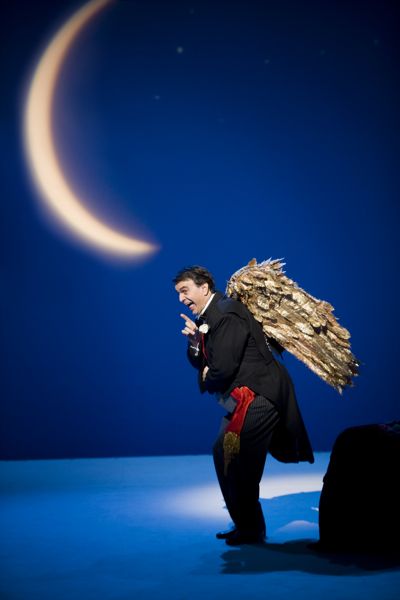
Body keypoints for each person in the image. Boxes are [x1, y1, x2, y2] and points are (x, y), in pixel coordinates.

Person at [173, 265, 314, 546]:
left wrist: (207, 374)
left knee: (236, 458)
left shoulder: (226, 314)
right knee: (223, 452)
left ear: (204, 287)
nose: (181, 298)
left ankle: (250, 529)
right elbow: (203, 361)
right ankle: (245, 525)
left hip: (259, 396)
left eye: (184, 290)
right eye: (178, 293)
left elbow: (222, 369)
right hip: (244, 399)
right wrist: (195, 342)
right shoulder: (210, 317)